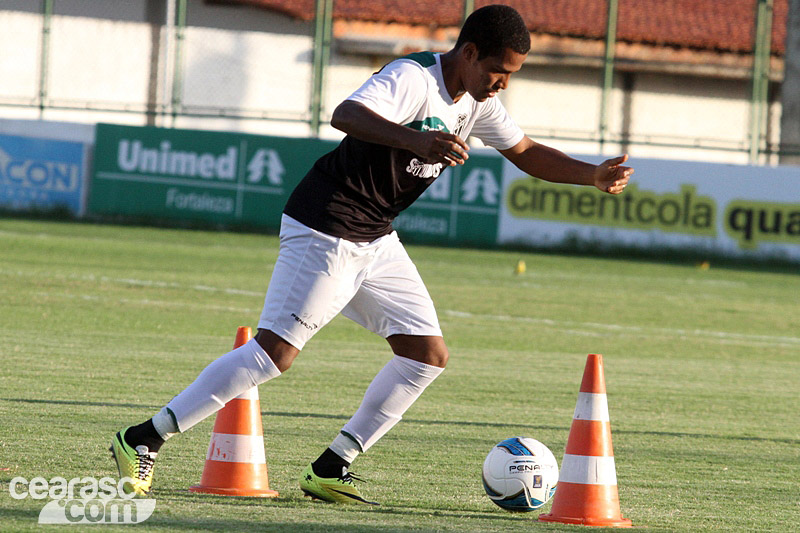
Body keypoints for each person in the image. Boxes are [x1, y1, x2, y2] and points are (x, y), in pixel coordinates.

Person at [110, 4, 632, 504]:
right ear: (469, 53)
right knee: (274, 354)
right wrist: (416, 141)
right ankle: (144, 438)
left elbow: (526, 152)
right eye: (499, 70)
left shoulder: (478, 103)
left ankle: (331, 467)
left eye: (513, 74)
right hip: (326, 225)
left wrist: (590, 175)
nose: (504, 83)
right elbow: (347, 113)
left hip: (375, 237)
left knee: (426, 355)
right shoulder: (413, 79)